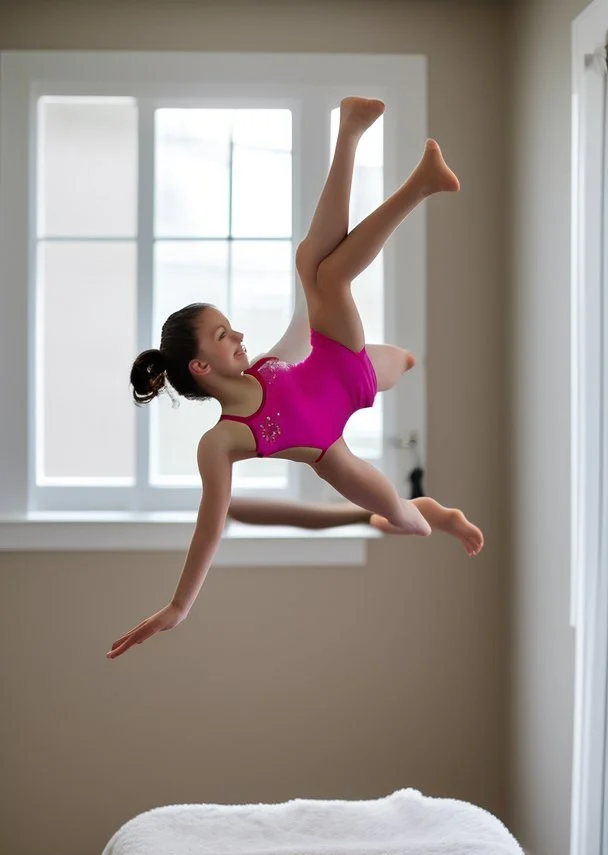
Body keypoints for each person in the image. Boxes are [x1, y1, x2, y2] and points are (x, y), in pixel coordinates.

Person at [107, 97, 483, 660]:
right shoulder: (223, 439)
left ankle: (370, 144)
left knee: (318, 269)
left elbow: (299, 325)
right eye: (223, 336)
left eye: (232, 328)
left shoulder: (266, 364)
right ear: (201, 368)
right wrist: (178, 607)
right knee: (411, 523)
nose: (238, 337)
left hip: (347, 362)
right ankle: (440, 515)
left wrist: (308, 285)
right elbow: (210, 527)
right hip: (333, 449)